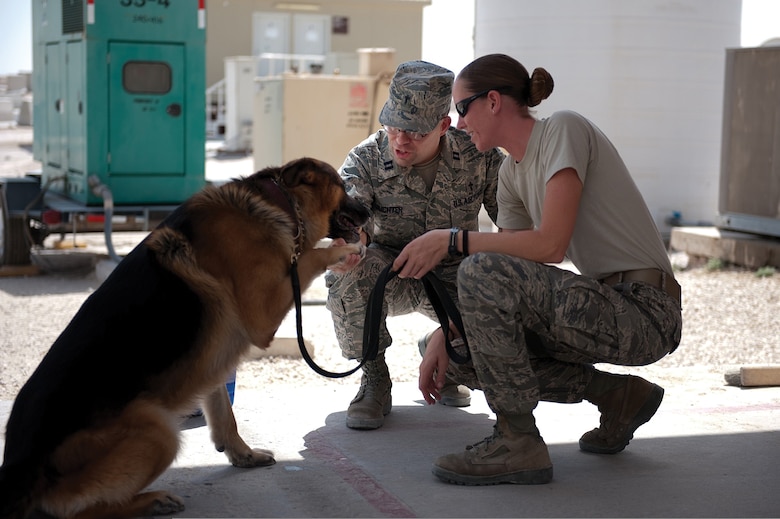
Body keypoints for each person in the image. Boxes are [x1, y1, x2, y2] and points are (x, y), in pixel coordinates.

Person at [391, 53, 683, 485]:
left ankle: (518, 441)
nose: (459, 122)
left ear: (492, 101)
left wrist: (450, 239)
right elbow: (510, 269)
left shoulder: (563, 129)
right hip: (596, 310)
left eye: (461, 108)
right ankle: (617, 396)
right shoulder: (510, 173)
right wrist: (446, 331)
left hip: (644, 310)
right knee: (459, 352)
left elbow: (550, 245)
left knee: (479, 270)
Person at [325, 60, 505, 430]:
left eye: (415, 133)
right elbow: (349, 220)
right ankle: (374, 378)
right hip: (394, 273)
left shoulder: (478, 156)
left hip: (459, 277)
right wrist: (348, 245)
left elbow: (515, 224)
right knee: (353, 272)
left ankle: (446, 351)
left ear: (443, 125)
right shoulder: (366, 159)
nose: (400, 140)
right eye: (393, 127)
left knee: (499, 320)